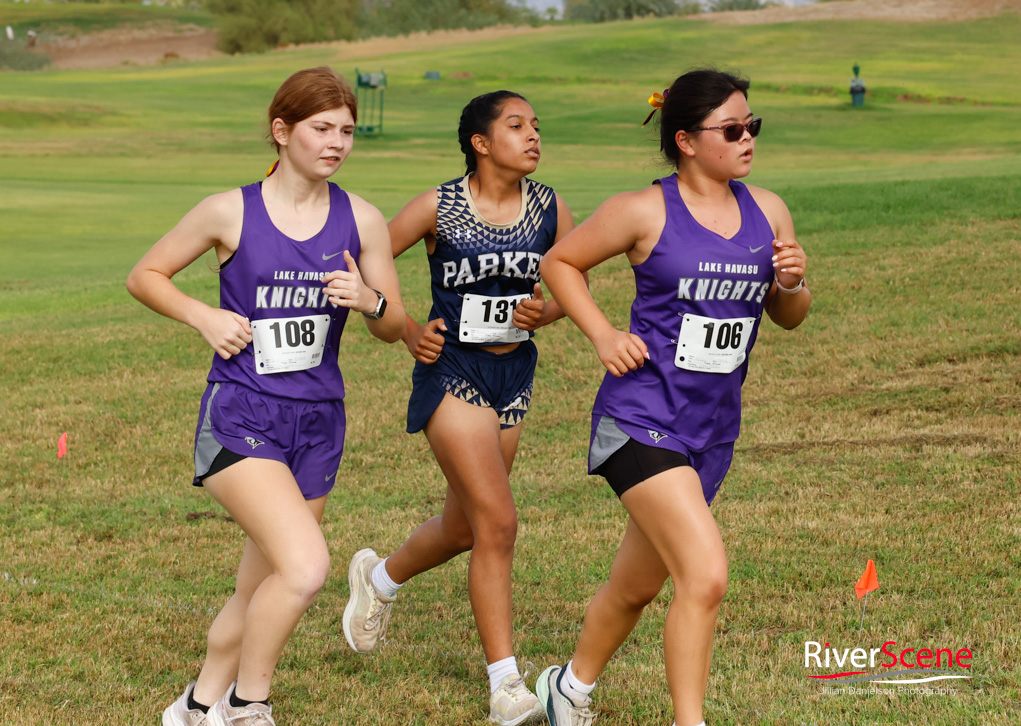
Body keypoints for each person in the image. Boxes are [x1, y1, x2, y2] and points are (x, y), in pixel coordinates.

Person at [126, 66, 405, 726]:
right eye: (321, 128)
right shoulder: (230, 210)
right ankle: (248, 705)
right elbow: (146, 275)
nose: (336, 142)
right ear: (282, 132)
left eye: (347, 131)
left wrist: (371, 300)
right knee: (306, 568)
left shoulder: (362, 219)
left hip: (317, 424)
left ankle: (195, 707)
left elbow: (394, 328)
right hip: (241, 412)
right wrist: (203, 316)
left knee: (260, 586)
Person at [535, 69, 811, 726]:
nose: (747, 139)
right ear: (686, 140)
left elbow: (789, 317)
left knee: (635, 586)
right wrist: (602, 334)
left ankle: (566, 689)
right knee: (704, 573)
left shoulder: (767, 209)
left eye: (752, 126)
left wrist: (792, 285)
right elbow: (560, 263)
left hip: (711, 430)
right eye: (731, 129)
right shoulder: (642, 210)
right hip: (640, 420)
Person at [340, 90, 575, 726]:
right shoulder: (438, 206)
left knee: (467, 527)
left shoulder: (550, 206)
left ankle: (379, 580)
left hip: (514, 374)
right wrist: (407, 323)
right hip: (452, 372)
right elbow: (367, 262)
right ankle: (507, 687)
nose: (533, 136)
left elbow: (571, 283)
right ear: (480, 142)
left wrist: (544, 310)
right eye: (516, 125)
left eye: (535, 126)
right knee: (498, 522)